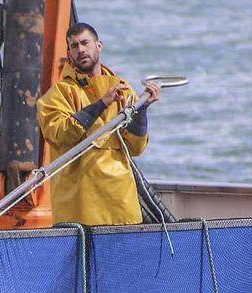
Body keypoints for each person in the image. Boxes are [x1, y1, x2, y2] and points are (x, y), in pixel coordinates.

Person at [37, 22, 161, 226]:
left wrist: (143, 110)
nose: (81, 50)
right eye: (74, 46)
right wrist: (102, 104)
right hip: (79, 205)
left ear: (99, 45)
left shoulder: (122, 88)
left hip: (120, 200)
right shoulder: (59, 93)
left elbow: (136, 147)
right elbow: (58, 134)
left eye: (85, 43)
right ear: (69, 52)